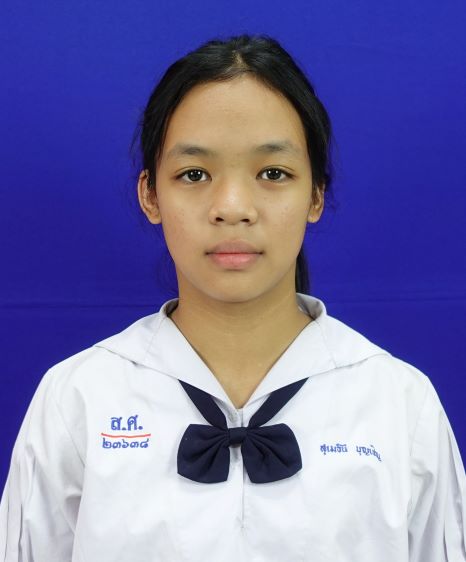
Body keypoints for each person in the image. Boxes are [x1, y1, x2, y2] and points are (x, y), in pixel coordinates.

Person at [0, 33, 465, 562]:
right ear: (150, 194)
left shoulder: (400, 403)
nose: (233, 206)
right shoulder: (78, 399)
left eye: (273, 173)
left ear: (316, 194)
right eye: (194, 174)